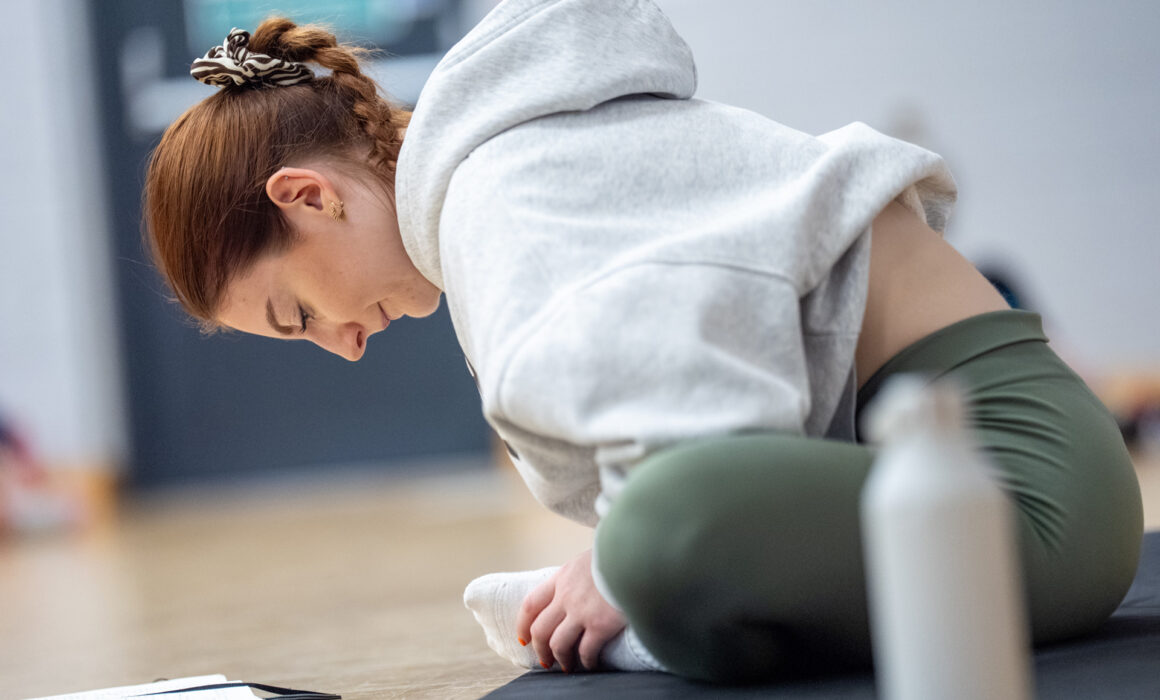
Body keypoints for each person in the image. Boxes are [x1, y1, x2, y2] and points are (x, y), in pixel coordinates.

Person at [143, 0, 1143, 683]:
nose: (339, 346)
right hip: (947, 465)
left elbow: (709, 425)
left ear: (308, 197)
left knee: (662, 534)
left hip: (1017, 485)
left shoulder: (505, 198)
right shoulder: (500, 177)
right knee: (646, 543)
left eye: (297, 312)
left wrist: (622, 556)